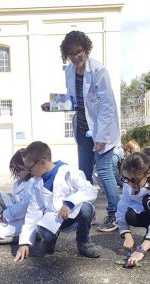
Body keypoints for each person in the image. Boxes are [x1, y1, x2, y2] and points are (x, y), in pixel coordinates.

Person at [42, 30, 121, 232]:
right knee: (84, 175)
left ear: (86, 49)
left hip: (101, 128)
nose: (76, 57)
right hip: (82, 129)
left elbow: (107, 106)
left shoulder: (99, 71)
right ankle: (88, 213)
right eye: (71, 54)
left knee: (104, 172)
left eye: (79, 52)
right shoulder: (69, 71)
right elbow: (73, 100)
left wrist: (102, 137)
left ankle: (115, 215)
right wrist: (53, 105)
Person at [14, 141, 100, 261]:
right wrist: (24, 242)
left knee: (86, 208)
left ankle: (84, 241)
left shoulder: (68, 171)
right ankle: (50, 240)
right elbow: (33, 211)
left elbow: (89, 190)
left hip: (73, 215)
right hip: (54, 218)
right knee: (45, 232)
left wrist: (69, 203)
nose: (29, 172)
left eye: (30, 168)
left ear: (42, 163)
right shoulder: (37, 183)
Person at [0, 149, 35, 244]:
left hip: (27, 219)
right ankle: (4, 222)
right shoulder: (19, 182)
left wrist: (4, 216)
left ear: (27, 167)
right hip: (16, 214)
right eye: (14, 169)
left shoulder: (33, 182)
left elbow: (23, 208)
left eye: (18, 169)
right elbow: (16, 203)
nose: (16, 172)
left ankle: (29, 235)